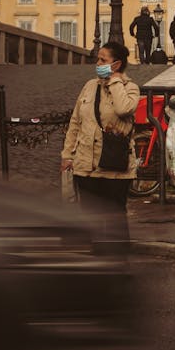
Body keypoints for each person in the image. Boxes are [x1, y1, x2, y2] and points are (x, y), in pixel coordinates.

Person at [60, 41, 140, 248]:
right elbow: (76, 121)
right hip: (86, 167)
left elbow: (123, 109)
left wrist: (114, 81)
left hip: (115, 168)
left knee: (115, 218)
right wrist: (67, 155)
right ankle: (94, 264)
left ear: (116, 64)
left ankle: (118, 261)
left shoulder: (130, 89)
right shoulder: (89, 86)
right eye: (98, 59)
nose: (97, 63)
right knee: (89, 218)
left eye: (103, 60)